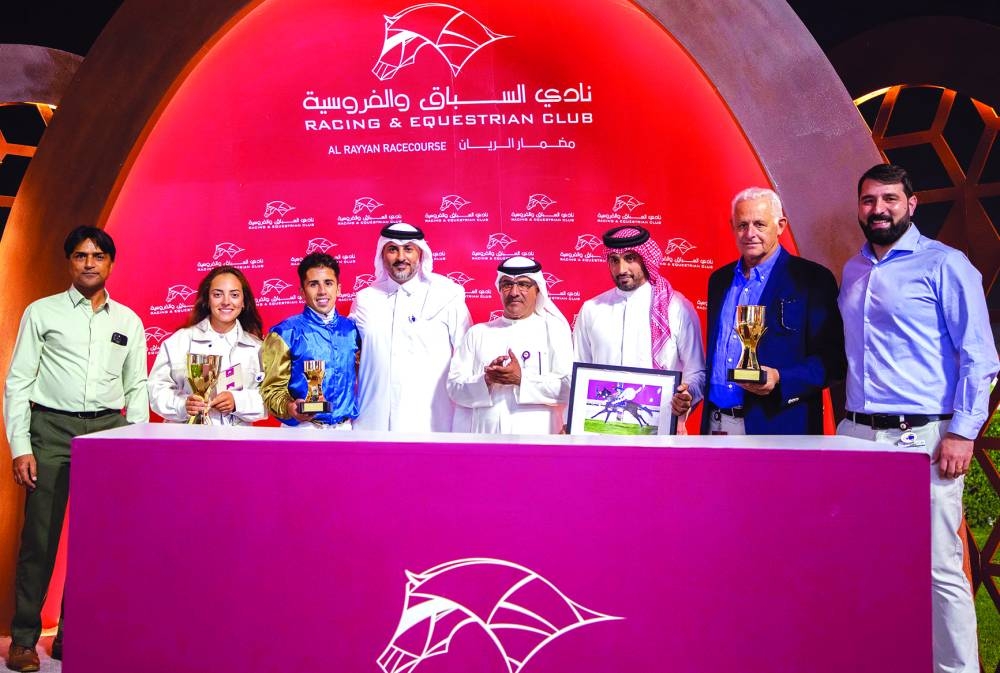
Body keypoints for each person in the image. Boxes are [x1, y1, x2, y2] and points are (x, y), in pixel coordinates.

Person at [838, 164, 999, 673]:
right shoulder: (853, 269)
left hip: (923, 437)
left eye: (889, 198)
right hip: (858, 434)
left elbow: (980, 356)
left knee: (937, 567)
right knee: (866, 559)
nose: (878, 209)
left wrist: (962, 433)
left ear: (912, 203)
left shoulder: (946, 265)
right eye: (868, 200)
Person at [4, 226, 148, 671]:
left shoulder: (128, 321)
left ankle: (73, 633)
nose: (90, 263)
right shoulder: (41, 313)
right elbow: (17, 383)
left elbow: (137, 386)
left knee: (95, 541)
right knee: (39, 541)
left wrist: (134, 444)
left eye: (98, 256)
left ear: (111, 263)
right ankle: (25, 639)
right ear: (69, 262)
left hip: (107, 432)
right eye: (81, 255)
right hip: (50, 429)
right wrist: (20, 446)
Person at [701, 187, 845, 435]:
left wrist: (780, 378)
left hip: (779, 425)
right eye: (742, 225)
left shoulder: (812, 279)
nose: (750, 234)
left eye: (759, 224)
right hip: (717, 424)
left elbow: (833, 362)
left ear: (780, 225)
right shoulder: (719, 280)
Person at [573, 225, 705, 426]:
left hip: (660, 427)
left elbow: (697, 372)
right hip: (600, 433)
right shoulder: (592, 309)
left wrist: (687, 395)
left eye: (630, 258)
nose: (621, 269)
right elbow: (578, 371)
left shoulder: (677, 308)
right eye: (614, 261)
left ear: (645, 259)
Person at [350, 223, 471, 432]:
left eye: (408, 249)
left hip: (430, 422)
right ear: (382, 255)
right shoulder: (365, 299)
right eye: (392, 249)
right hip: (373, 422)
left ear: (420, 254)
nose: (400, 257)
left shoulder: (447, 295)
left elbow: (468, 357)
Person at [447, 257, 572, 434]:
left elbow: (569, 388)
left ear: (537, 289)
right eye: (507, 284)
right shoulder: (478, 333)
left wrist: (522, 379)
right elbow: (454, 388)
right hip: (487, 439)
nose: (514, 292)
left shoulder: (554, 330)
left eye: (523, 284)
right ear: (499, 289)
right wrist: (486, 380)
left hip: (538, 439)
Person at [148, 265, 267, 425]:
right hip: (187, 440)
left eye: (234, 295)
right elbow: (157, 389)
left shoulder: (257, 348)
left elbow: (270, 398)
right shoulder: (180, 341)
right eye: (217, 294)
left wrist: (237, 402)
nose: (226, 302)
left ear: (244, 301)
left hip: (237, 442)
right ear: (207, 300)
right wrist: (183, 405)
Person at [260, 253, 359, 429]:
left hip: (346, 429)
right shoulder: (284, 332)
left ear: (339, 289)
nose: (322, 291)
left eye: (328, 283)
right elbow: (271, 391)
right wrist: (290, 407)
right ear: (302, 292)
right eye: (314, 284)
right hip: (303, 430)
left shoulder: (352, 330)